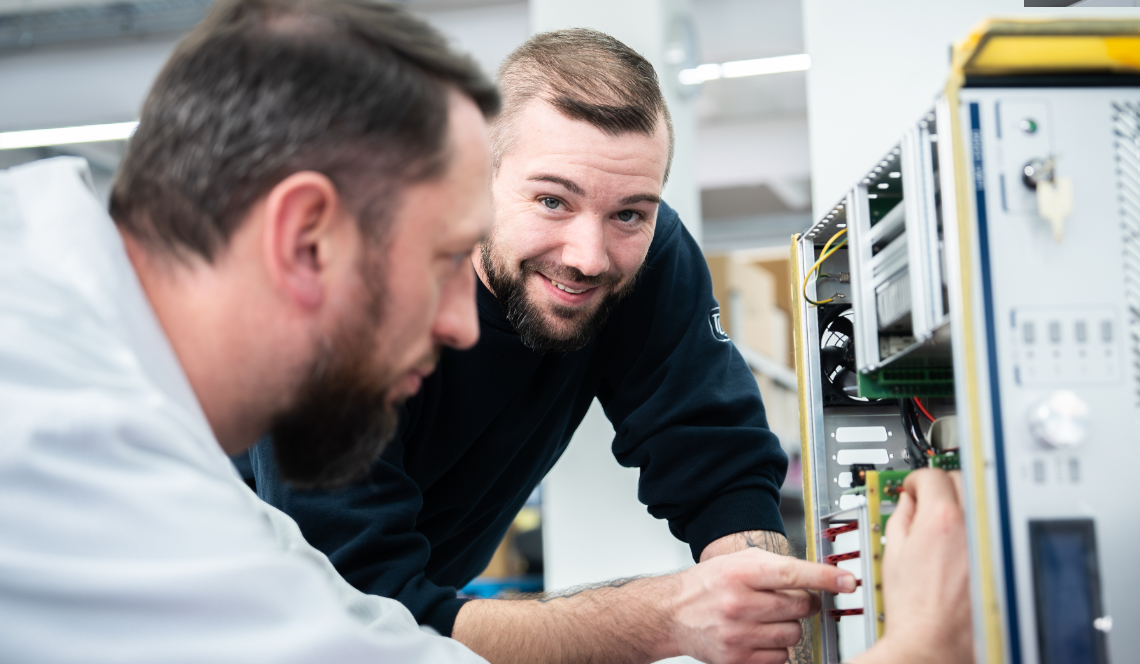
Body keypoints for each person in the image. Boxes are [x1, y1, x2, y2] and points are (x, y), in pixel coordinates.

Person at [0, 0, 863, 662]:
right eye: (445, 257)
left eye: (628, 214)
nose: (461, 326)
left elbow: (359, 623)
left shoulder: (91, 334)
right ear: (305, 237)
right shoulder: (61, 435)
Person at [246, 27, 970, 664]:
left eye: (628, 212)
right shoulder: (347, 298)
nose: (589, 255)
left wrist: (763, 609)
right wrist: (667, 619)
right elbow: (362, 617)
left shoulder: (650, 255)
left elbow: (713, 456)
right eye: (552, 200)